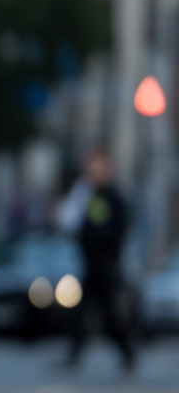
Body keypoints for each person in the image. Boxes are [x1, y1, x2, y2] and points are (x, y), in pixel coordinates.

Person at [59, 147, 135, 371]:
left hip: (107, 266)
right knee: (79, 312)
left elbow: (116, 230)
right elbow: (75, 223)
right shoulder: (87, 195)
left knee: (109, 316)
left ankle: (127, 351)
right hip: (90, 265)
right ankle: (74, 354)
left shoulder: (114, 198)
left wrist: (95, 239)